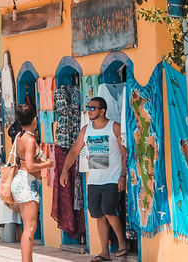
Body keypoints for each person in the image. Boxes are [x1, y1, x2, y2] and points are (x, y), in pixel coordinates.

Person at [63, 97, 130, 261]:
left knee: (109, 210)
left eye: (93, 108)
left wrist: (123, 176)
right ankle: (104, 252)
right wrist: (64, 170)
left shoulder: (114, 127)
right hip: (94, 181)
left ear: (102, 111)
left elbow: (125, 153)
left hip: (112, 178)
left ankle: (122, 244)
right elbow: (74, 151)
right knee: (98, 215)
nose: (89, 110)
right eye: (88, 107)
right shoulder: (86, 130)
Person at [10, 102, 55, 262]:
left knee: (28, 227)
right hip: (27, 184)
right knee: (30, 228)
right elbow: (29, 165)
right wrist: (47, 164)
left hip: (23, 182)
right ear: (34, 119)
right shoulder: (29, 139)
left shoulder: (20, 136)